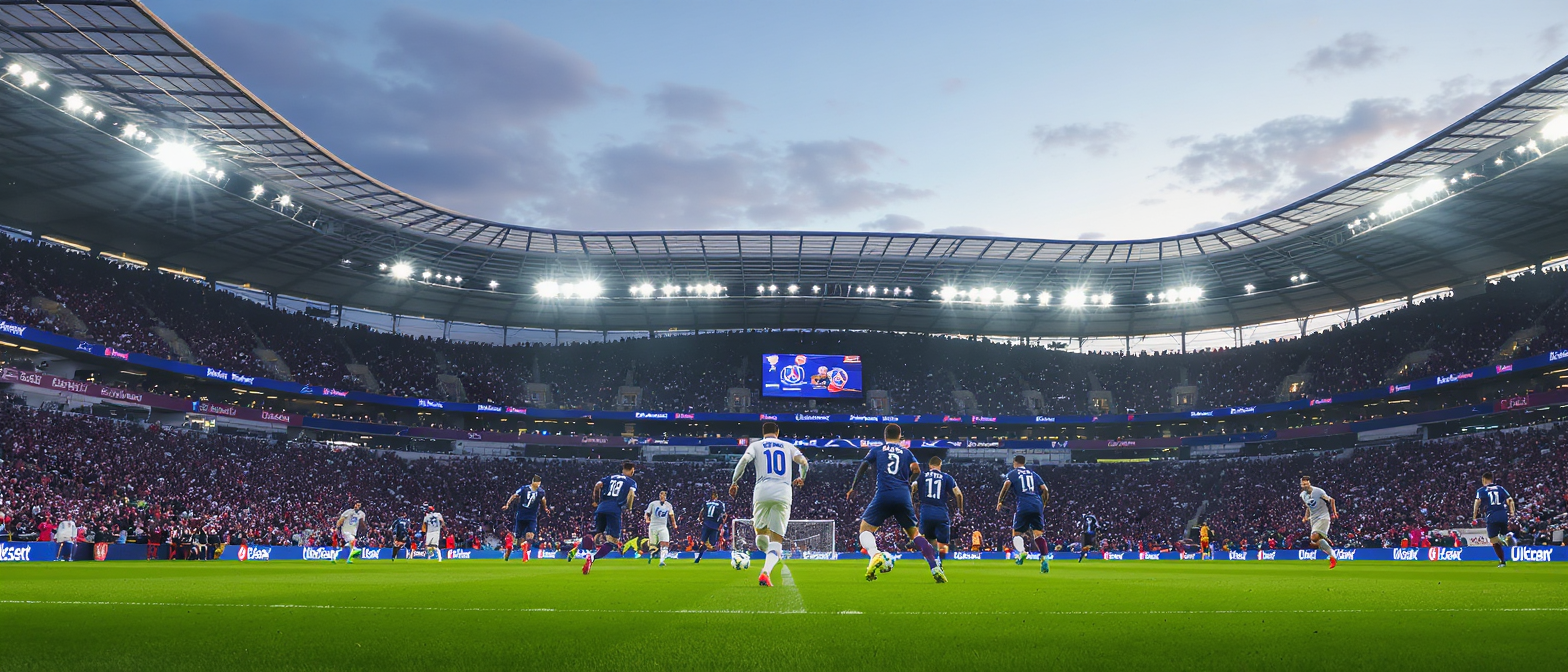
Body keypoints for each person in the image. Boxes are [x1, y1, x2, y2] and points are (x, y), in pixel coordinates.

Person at [846, 424, 943, 583]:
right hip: (903, 496)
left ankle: (875, 554)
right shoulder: (907, 452)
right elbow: (917, 470)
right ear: (900, 436)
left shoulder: (877, 450)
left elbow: (864, 465)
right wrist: (908, 482)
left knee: (865, 529)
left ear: (885, 436)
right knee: (915, 534)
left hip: (884, 494)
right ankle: (935, 567)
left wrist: (853, 487)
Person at [731, 422, 807, 587]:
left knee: (761, 535)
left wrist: (734, 482)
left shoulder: (756, 445)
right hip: (783, 492)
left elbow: (744, 460)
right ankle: (767, 569)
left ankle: (771, 555)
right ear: (777, 432)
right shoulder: (788, 446)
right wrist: (802, 477)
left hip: (762, 491)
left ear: (763, 432)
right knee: (776, 539)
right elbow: (804, 462)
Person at [996, 455, 1051, 574]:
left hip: (1024, 504)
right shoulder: (1033, 473)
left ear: (1015, 462)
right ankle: (1044, 558)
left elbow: (1006, 485)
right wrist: (1044, 504)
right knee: (1038, 534)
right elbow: (1045, 489)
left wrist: (1000, 501)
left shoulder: (1013, 473)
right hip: (1037, 504)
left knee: (1016, 533)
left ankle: (1021, 552)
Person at [582, 461, 638, 575]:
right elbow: (631, 495)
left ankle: (586, 548)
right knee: (613, 541)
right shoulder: (632, 482)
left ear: (622, 469)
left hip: (601, 507)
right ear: (632, 470)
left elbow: (597, 486)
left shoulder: (609, 478)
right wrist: (629, 508)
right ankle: (592, 557)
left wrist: (596, 501)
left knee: (599, 533)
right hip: (614, 509)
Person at [916, 456, 963, 567]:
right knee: (942, 542)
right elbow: (958, 494)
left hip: (926, 511)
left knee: (929, 540)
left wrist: (913, 502)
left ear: (929, 466)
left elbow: (913, 487)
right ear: (940, 465)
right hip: (941, 512)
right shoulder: (947, 477)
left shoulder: (922, 476)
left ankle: (933, 564)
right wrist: (960, 509)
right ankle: (939, 562)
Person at [1472, 472, 1516, 567]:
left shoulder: (1481, 490)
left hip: (1491, 516)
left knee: (1493, 541)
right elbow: (1510, 500)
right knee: (1504, 534)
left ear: (1484, 480)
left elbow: (1477, 502)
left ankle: (1502, 561)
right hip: (1503, 515)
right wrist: (1512, 512)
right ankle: (1506, 537)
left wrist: (1474, 516)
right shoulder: (1500, 488)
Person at [502, 475, 549, 562]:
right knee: (525, 537)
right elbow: (543, 500)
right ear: (536, 482)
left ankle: (515, 547)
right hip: (527, 516)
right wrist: (545, 508)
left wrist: (507, 504)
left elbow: (514, 495)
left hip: (525, 515)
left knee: (524, 536)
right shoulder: (538, 491)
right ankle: (520, 547)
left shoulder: (525, 489)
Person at [1298, 476, 1339, 569]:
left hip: (1323, 517)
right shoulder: (1303, 495)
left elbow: (1332, 500)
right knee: (1314, 544)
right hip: (1313, 519)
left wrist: (1334, 512)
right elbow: (1308, 507)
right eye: (1302, 484)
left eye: (1306, 484)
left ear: (1309, 483)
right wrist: (1305, 517)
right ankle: (1333, 557)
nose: (1304, 486)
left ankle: (1325, 537)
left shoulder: (1318, 491)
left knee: (1314, 537)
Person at [644, 490, 677, 567]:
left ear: (666, 497)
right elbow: (647, 513)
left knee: (665, 543)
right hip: (653, 526)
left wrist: (674, 524)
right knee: (653, 545)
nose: (662, 496)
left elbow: (671, 515)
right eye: (660, 494)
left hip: (662, 527)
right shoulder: (653, 504)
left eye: (664, 495)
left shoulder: (669, 505)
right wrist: (647, 519)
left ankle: (662, 561)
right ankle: (652, 553)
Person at [694, 490, 727, 564]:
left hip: (706, 523)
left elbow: (701, 512)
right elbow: (724, 515)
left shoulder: (706, 503)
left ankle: (698, 557)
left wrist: (700, 519)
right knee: (712, 544)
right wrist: (721, 525)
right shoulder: (720, 504)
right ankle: (705, 548)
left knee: (702, 542)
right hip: (715, 525)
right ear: (716, 496)